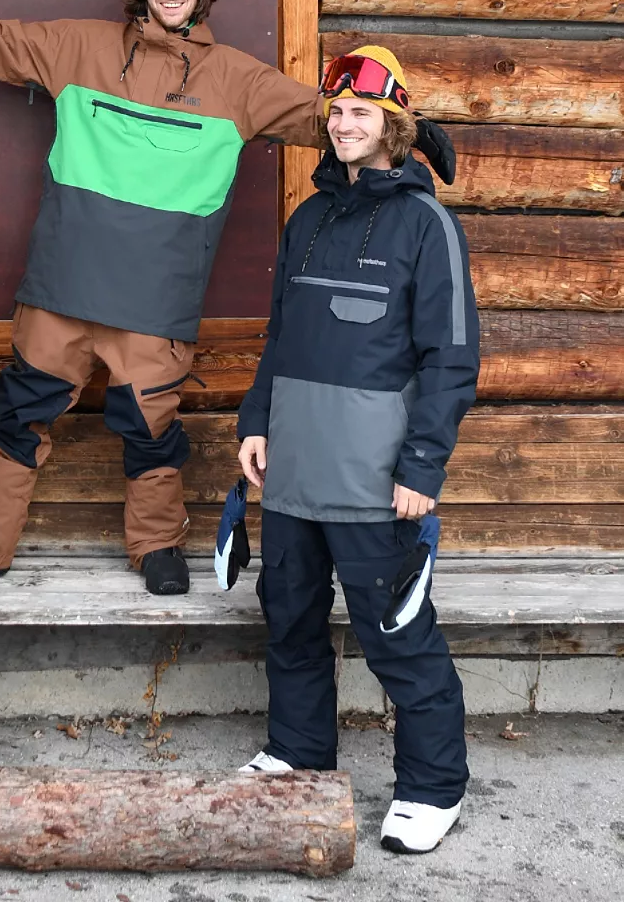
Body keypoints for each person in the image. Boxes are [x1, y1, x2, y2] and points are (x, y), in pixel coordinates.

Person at [0, 0, 454, 596]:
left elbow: (326, 116)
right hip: (60, 287)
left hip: (155, 303)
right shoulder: (77, 49)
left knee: (150, 429)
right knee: (17, 415)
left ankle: (156, 545)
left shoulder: (237, 80)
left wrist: (413, 131)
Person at [235, 44, 480, 855]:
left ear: (394, 126)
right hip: (294, 468)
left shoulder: (427, 224)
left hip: (376, 479)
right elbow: (280, 337)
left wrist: (423, 467)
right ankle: (299, 751)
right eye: (336, 112)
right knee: (290, 618)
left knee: (396, 633)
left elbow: (450, 358)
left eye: (361, 113)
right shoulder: (307, 220)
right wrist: (255, 423)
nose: (344, 124)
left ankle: (433, 787)